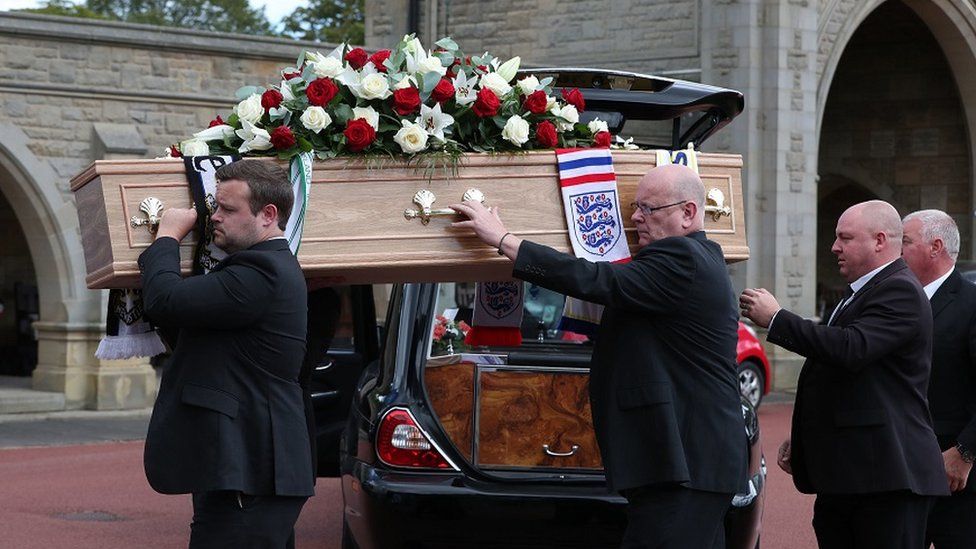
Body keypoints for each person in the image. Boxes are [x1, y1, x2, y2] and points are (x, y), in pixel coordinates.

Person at [452, 164, 747, 548]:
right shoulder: (692, 258)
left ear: (688, 213)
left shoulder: (683, 258)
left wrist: (505, 239)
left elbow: (599, 279)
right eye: (634, 207)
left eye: (648, 209)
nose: (635, 217)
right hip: (688, 464)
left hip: (688, 464)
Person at [740, 200, 948, 548]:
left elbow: (851, 348)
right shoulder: (864, 290)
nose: (835, 247)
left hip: (887, 478)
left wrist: (777, 318)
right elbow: (841, 374)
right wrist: (808, 434)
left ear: (880, 240)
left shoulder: (899, 289)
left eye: (845, 238)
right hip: (856, 476)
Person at [138, 159, 313, 549]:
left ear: (268, 215)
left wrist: (166, 236)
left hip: (249, 471)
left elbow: (165, 300)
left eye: (227, 210)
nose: (213, 217)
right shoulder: (264, 268)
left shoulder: (261, 272)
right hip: (246, 469)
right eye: (215, 206)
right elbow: (189, 324)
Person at [901, 209, 976, 548]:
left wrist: (965, 453)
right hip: (900, 471)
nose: (895, 249)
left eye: (904, 241)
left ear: (935, 247)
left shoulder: (971, 303)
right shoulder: (895, 301)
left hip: (959, 479)